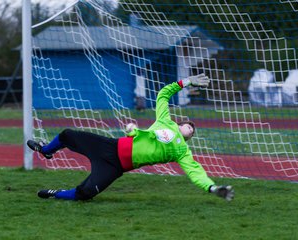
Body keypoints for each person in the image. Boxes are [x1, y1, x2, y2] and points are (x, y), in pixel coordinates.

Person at [27, 73, 234, 201]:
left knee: (85, 194)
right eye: (189, 125)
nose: (191, 129)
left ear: (189, 138)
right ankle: (45, 150)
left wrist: (212, 187)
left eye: (192, 131)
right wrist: (186, 82)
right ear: (180, 124)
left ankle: (55, 194)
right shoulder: (165, 121)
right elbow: (163, 94)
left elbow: (195, 172)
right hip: (109, 147)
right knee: (67, 135)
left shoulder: (182, 151)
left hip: (116, 167)